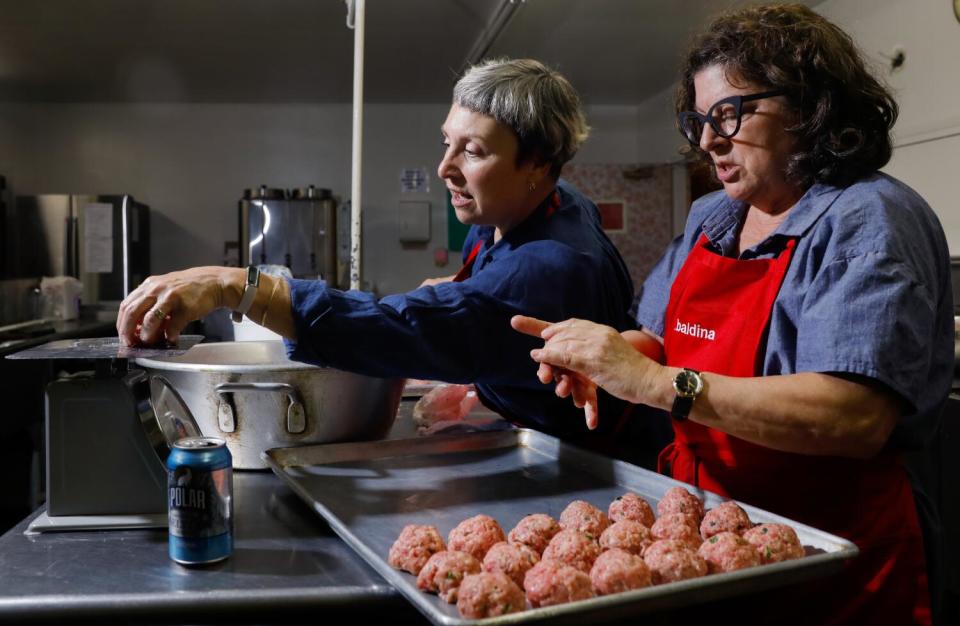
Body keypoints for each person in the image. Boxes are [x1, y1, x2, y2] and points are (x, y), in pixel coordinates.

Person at [512, 5, 951, 625]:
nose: (707, 141)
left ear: (809, 105)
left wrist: (656, 384)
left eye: (730, 113)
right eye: (698, 120)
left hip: (831, 549)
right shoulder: (712, 217)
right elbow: (662, 340)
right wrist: (607, 356)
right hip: (701, 529)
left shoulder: (866, 217)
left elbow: (855, 416)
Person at [117, 58, 636, 447]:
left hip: (563, 466)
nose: (444, 168)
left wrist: (235, 284)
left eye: (472, 151)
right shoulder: (532, 208)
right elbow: (482, 302)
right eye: (445, 143)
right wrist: (466, 310)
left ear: (538, 166)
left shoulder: (551, 265)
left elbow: (399, 327)